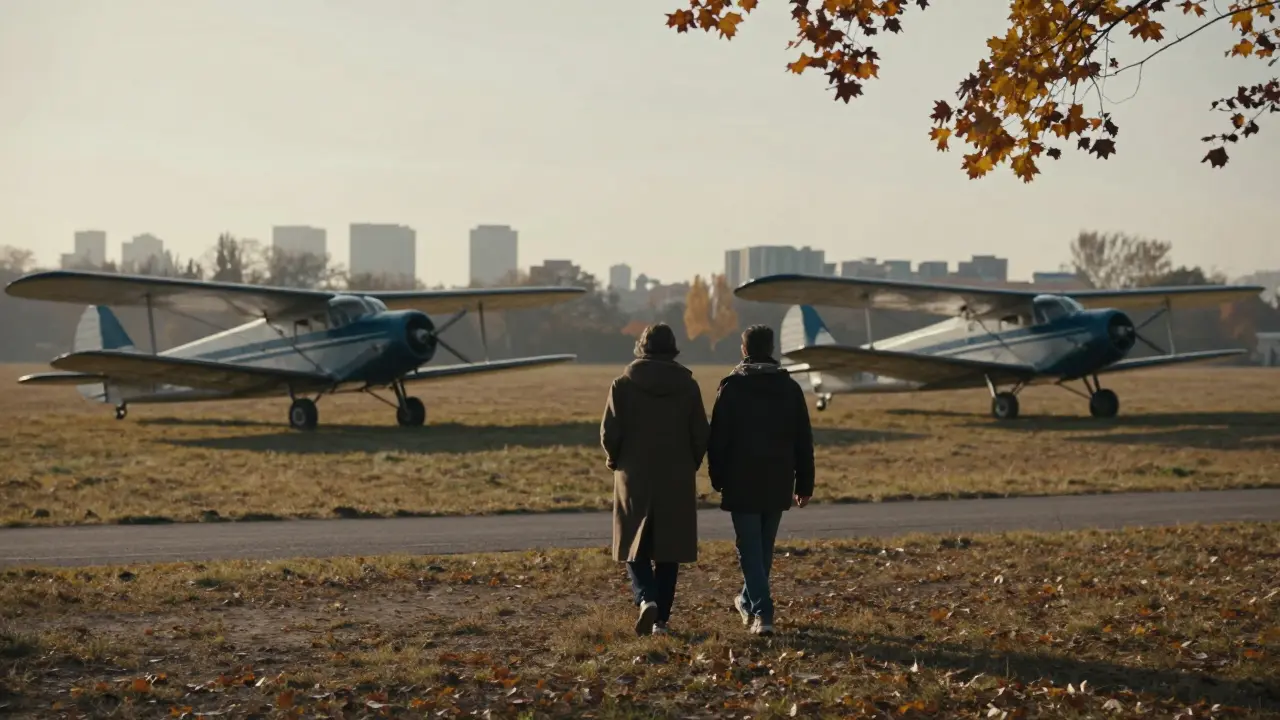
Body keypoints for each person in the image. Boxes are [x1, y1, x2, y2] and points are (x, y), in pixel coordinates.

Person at [600, 323, 710, 636]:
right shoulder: (688, 386)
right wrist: (691, 461)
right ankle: (661, 619)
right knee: (669, 548)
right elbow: (701, 432)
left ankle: (645, 597)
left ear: (642, 348)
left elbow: (610, 432)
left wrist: (615, 459)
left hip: (634, 473)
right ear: (673, 348)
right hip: (676, 473)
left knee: (633, 542)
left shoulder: (622, 385)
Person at [707, 324, 815, 636]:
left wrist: (717, 477)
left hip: (741, 478)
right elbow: (802, 440)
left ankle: (763, 611)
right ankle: (747, 600)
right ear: (772, 349)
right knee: (763, 547)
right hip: (779, 477)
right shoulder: (790, 388)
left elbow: (718, 439)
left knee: (750, 547)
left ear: (744, 349)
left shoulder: (732, 387)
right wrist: (804, 484)